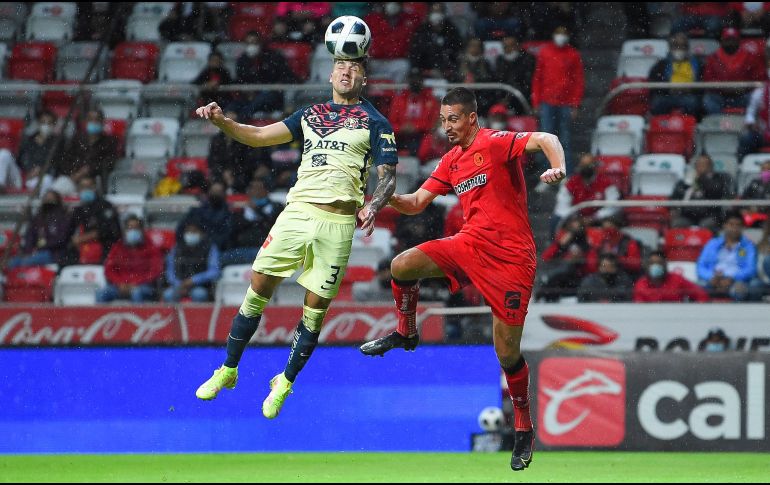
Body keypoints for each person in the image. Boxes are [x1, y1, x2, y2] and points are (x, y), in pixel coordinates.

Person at [359, 87, 566, 472]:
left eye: (452, 119)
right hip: (470, 245)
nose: (446, 127)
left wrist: (557, 165)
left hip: (511, 258)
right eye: (442, 120)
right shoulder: (451, 160)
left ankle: (523, 428)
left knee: (506, 354)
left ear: (471, 118)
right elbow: (417, 203)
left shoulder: (495, 142)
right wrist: (380, 198)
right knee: (401, 266)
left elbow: (546, 138)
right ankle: (406, 332)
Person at [193, 54, 399, 423]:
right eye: (340, 65)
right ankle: (228, 369)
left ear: (364, 78)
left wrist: (374, 204)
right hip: (298, 212)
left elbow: (387, 176)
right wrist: (222, 121)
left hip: (338, 224)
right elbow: (256, 137)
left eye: (354, 67)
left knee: (315, 310)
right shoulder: (309, 114)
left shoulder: (375, 122)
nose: (346, 71)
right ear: (331, 73)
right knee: (258, 285)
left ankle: (284, 382)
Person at [531, 26, 584, 175]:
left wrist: (575, 104)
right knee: (545, 139)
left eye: (564, 34)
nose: (561, 37)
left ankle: (565, 173)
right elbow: (538, 78)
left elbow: (578, 81)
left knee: (565, 140)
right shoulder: (545, 52)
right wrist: (536, 101)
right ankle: (546, 172)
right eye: (559, 34)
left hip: (565, 103)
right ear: (554, 35)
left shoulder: (573, 54)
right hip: (547, 102)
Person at [96, 215, 164, 303]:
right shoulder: (118, 247)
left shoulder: (151, 248)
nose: (133, 231)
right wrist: (120, 283)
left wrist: (135, 283)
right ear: (125, 231)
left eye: (136, 228)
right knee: (101, 293)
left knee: (136, 293)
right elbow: (109, 269)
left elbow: (156, 271)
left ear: (142, 230)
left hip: (143, 286)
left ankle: (138, 316)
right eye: (130, 228)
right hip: (120, 286)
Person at [701, 27, 764, 116]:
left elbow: (759, 78)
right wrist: (722, 88)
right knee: (708, 99)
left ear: (739, 41)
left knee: (756, 98)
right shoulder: (713, 58)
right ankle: (719, 124)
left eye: (733, 39)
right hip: (721, 96)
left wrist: (744, 87)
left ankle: (748, 124)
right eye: (727, 39)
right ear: (722, 41)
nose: (730, 42)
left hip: (743, 95)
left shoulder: (750, 57)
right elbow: (707, 80)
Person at [696, 210, 757, 301]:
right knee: (696, 288)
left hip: (737, 281)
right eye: (731, 224)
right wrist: (712, 277)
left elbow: (751, 269)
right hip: (713, 280)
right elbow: (700, 266)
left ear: (742, 227)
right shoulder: (712, 243)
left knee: (741, 289)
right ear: (724, 225)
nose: (734, 228)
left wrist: (732, 278)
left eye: (738, 225)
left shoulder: (748, 246)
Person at [65, 176, 122, 266]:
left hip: (104, 251)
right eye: (83, 187)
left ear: (94, 187)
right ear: (78, 190)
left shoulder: (105, 206)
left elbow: (111, 230)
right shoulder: (78, 210)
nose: (86, 190)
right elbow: (69, 232)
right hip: (80, 252)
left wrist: (86, 237)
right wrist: (75, 240)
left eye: (89, 187)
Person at [670, 154, 735, 233]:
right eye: (699, 164)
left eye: (704, 164)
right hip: (688, 215)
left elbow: (715, 191)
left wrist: (702, 178)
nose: (701, 167)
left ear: (711, 166)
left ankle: (708, 245)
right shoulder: (686, 180)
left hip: (709, 214)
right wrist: (687, 184)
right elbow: (675, 196)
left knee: (706, 225)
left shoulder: (718, 179)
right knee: (677, 223)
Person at [7, 190, 71, 269]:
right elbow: (30, 236)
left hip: (53, 253)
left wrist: (42, 247)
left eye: (51, 199)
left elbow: (61, 239)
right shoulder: (38, 218)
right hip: (36, 252)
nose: (48, 201)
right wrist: (28, 250)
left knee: (26, 262)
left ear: (57, 200)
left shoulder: (63, 217)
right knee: (12, 263)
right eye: (46, 198)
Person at [163, 220, 221, 303]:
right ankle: (172, 316)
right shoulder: (177, 248)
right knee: (168, 295)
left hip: (200, 286)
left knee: (199, 294)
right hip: (179, 285)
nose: (190, 234)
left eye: (194, 231)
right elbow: (170, 271)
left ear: (202, 234)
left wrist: (193, 280)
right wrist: (179, 284)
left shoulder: (210, 248)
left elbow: (215, 271)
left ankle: (199, 316)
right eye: (188, 231)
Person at [648, 33, 702, 116]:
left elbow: (701, 83)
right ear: (670, 48)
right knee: (657, 102)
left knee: (693, 103)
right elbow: (653, 82)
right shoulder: (662, 64)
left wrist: (690, 89)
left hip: (688, 95)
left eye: (682, 46)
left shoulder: (696, 63)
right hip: (667, 95)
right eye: (676, 46)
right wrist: (668, 89)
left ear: (687, 48)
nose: (679, 49)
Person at [632, 250, 710, 303]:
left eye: (659, 263)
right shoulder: (640, 285)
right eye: (652, 263)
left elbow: (701, 294)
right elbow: (639, 308)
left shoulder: (677, 280)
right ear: (647, 266)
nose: (656, 266)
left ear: (665, 265)